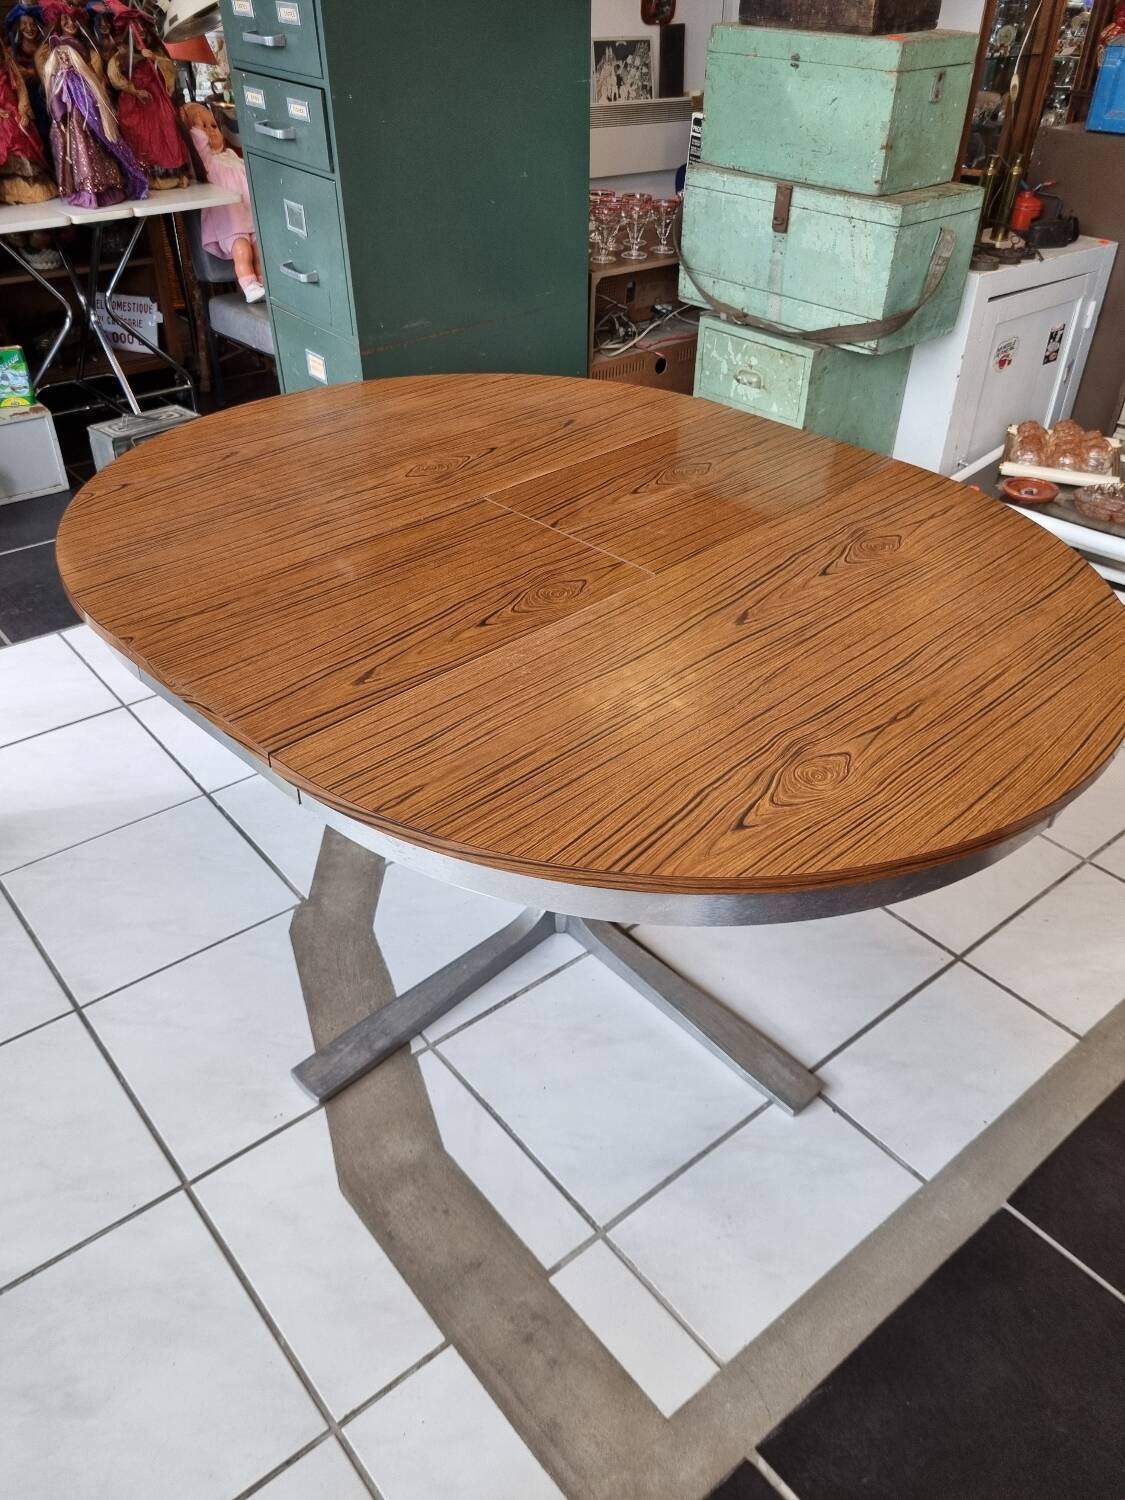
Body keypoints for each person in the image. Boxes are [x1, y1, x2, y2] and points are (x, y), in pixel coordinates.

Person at [36, 0, 146, 206]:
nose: (70, 24)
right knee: (79, 146)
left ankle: (101, 184)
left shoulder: (81, 53)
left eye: (73, 20)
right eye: (65, 20)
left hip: (87, 106)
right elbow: (58, 90)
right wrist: (59, 112)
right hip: (74, 112)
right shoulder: (59, 56)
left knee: (94, 142)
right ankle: (88, 187)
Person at [182, 101, 263, 302]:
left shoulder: (230, 156)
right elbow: (196, 144)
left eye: (214, 126)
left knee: (259, 252)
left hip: (249, 217)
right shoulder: (206, 163)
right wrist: (193, 124)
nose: (211, 132)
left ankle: (262, 282)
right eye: (203, 126)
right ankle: (249, 285)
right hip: (230, 224)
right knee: (242, 250)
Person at [105, 2, 190, 189]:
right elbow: (114, 75)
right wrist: (133, 90)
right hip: (135, 102)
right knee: (141, 134)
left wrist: (153, 58)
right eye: (136, 28)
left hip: (156, 98)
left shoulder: (155, 50)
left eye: (142, 27)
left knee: (167, 127)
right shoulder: (122, 54)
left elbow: (168, 69)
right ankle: (145, 174)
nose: (140, 31)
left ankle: (170, 171)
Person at [0, 31, 53, 201]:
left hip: (13, 109)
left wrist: (23, 108)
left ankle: (28, 186)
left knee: (21, 139)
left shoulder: (8, 63)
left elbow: (21, 86)